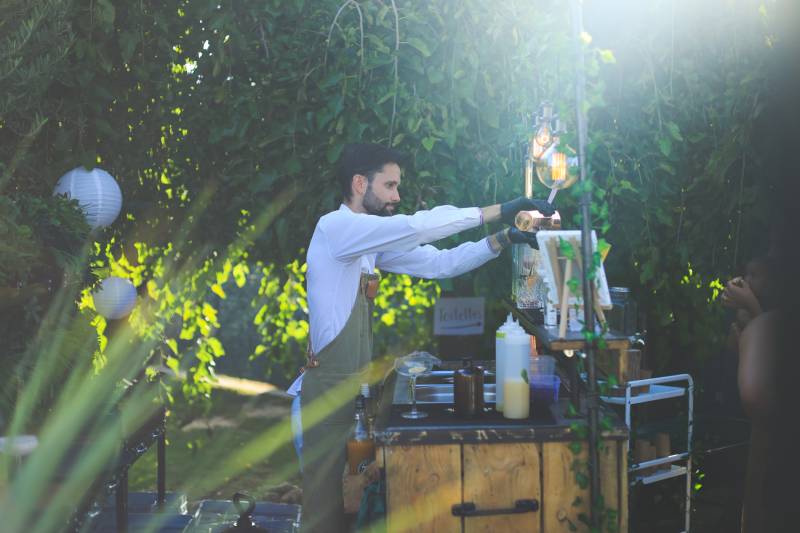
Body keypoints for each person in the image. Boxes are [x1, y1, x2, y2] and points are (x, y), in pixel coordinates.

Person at [289, 143, 553, 532]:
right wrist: (495, 210)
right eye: (390, 186)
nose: (397, 196)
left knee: (353, 514)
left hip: (352, 399)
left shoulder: (367, 248)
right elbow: (417, 226)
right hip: (324, 405)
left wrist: (502, 239)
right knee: (324, 519)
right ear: (360, 183)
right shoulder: (335, 229)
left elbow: (439, 263)